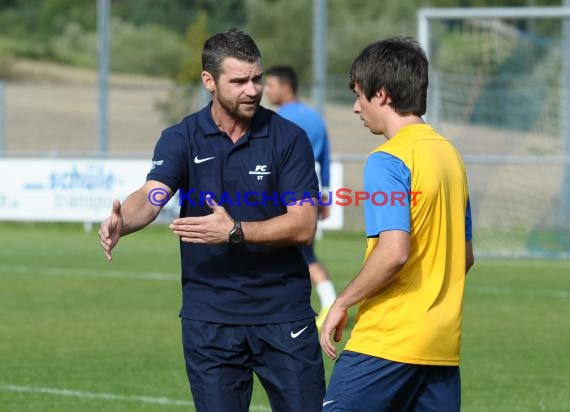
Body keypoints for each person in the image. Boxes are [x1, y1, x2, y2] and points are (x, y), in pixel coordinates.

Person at [99, 28, 325, 412]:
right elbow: (153, 194)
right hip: (210, 320)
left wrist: (235, 231)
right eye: (238, 81)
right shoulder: (181, 138)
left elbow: (303, 225)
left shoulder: (288, 139)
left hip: (283, 314)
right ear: (209, 81)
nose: (252, 90)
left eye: (256, 78)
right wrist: (125, 222)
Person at [320, 37, 475, 411]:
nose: (357, 108)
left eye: (359, 95)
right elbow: (466, 257)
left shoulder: (388, 159)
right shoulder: (450, 156)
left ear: (383, 94)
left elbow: (393, 252)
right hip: (440, 348)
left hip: (387, 342)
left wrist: (341, 303)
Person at [264, 65, 336, 330]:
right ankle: (325, 302)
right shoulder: (315, 118)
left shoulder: (280, 119)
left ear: (285, 86)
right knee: (302, 251)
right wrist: (325, 195)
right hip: (311, 191)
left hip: (288, 192)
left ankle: (328, 303)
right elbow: (325, 157)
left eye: (270, 85)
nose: (266, 91)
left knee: (295, 251)